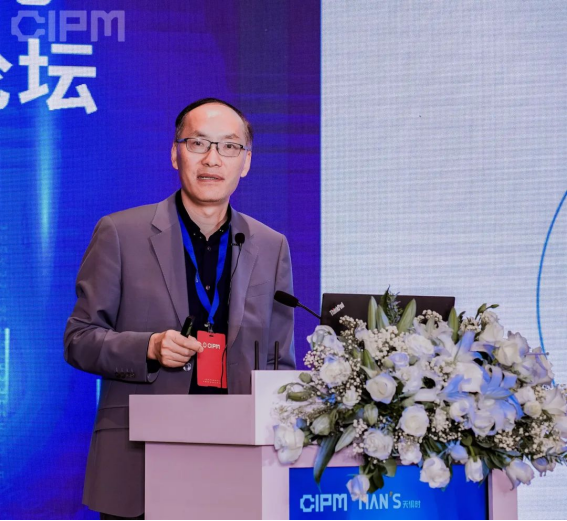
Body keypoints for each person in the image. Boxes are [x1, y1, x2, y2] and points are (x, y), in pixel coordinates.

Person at [64, 98, 296, 520]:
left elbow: (280, 363)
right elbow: (79, 339)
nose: (212, 159)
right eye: (198, 143)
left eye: (229, 146)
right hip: (140, 457)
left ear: (246, 162)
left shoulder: (270, 245)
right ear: (175, 154)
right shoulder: (120, 233)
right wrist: (149, 348)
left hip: (238, 460)